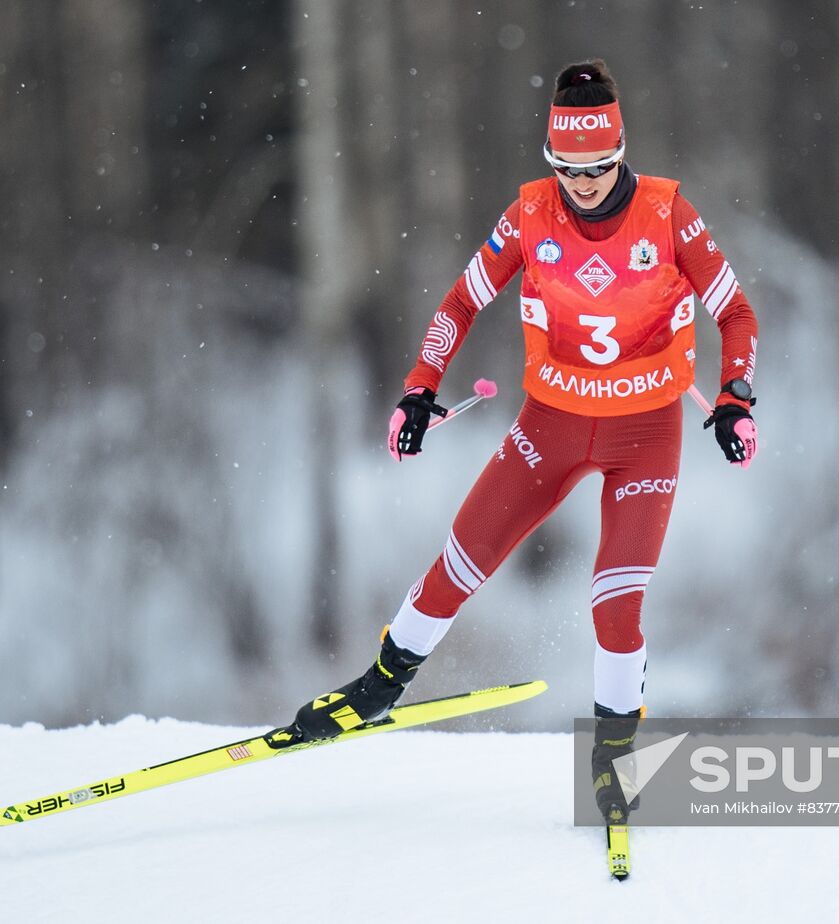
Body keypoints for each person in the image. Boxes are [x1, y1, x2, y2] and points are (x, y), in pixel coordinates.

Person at [291, 59, 759, 823]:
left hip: (646, 433)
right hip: (553, 423)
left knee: (616, 601)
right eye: (567, 168)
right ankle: (376, 688)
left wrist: (736, 395)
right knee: (462, 558)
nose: (582, 184)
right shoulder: (528, 216)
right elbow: (461, 301)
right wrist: (418, 386)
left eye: (599, 167)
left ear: (620, 152)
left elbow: (735, 312)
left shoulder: (670, 215)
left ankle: (613, 762)